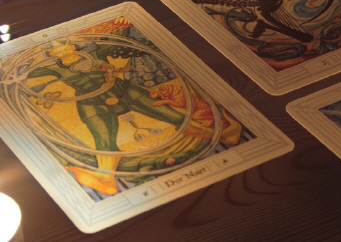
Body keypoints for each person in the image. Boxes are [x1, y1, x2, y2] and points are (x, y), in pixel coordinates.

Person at [27, 39, 213, 195]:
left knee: (169, 114)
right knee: (103, 140)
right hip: (91, 102)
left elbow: (117, 39)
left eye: (67, 49)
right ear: (54, 56)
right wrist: (32, 58)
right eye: (59, 53)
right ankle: (106, 177)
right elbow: (30, 72)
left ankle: (209, 131)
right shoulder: (56, 68)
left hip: (121, 89)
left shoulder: (95, 53)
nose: (65, 54)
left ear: (73, 47)